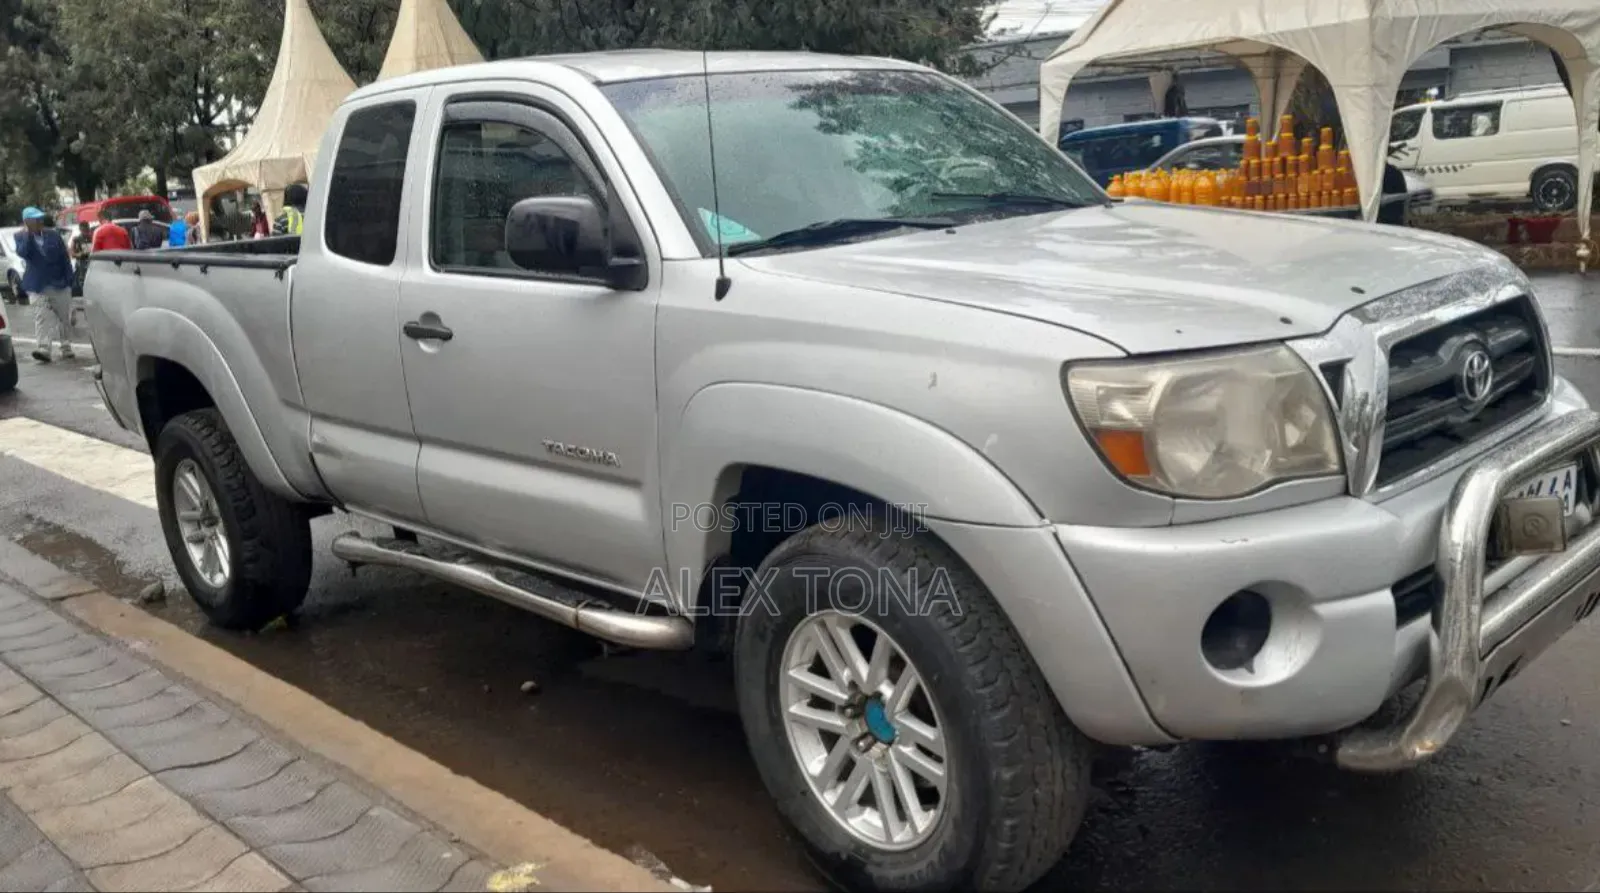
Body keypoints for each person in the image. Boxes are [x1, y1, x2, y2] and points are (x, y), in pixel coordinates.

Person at [12, 207, 76, 363]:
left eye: (40, 218)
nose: (40, 221)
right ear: (27, 221)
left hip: (59, 282)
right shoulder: (20, 236)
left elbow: (64, 258)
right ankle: (44, 349)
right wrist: (28, 233)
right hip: (37, 285)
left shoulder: (53, 235)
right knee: (41, 317)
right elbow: (23, 252)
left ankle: (66, 346)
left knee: (64, 317)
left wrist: (70, 280)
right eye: (36, 219)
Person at [69, 221, 92, 297]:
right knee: (83, 284)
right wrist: (79, 254)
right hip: (82, 266)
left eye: (87, 230)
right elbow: (72, 254)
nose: (86, 232)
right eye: (84, 230)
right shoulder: (76, 239)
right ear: (80, 230)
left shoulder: (92, 238)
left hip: (92, 265)